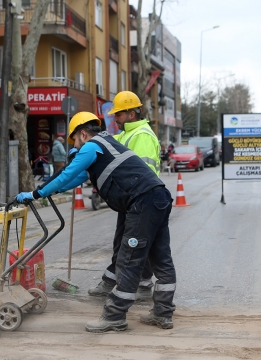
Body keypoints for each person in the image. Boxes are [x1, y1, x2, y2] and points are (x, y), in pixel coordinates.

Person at [15, 112, 176, 332]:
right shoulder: (106, 145)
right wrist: (54, 191)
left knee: (128, 260)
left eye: (75, 141)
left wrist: (35, 194)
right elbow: (75, 178)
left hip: (142, 202)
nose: (76, 146)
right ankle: (163, 314)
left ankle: (114, 316)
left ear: (82, 134)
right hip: (158, 197)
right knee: (161, 257)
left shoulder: (92, 146)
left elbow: (65, 173)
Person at [87, 91, 161, 300]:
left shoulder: (142, 135)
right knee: (134, 243)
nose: (115, 118)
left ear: (131, 113)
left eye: (118, 114)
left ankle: (117, 283)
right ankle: (139, 284)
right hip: (132, 200)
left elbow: (142, 173)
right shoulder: (127, 134)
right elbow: (107, 144)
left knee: (128, 243)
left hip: (138, 199)